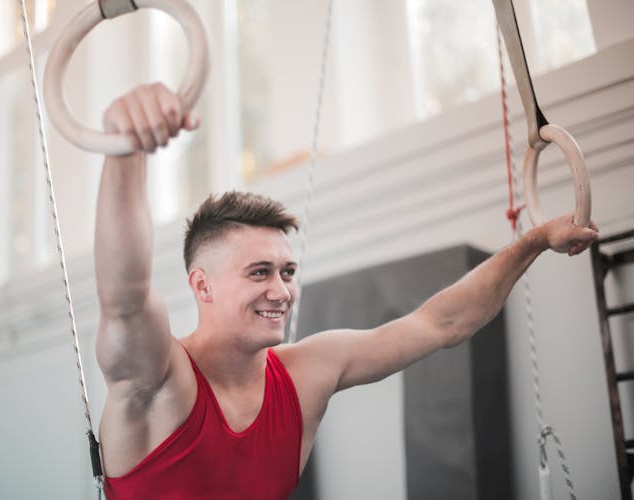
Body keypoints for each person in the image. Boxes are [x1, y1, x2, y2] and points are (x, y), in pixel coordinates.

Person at [94, 83, 598, 500]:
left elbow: (443, 323)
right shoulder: (156, 380)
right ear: (201, 285)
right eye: (258, 272)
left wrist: (533, 241)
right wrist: (125, 151)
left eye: (287, 272)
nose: (281, 290)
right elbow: (125, 298)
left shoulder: (308, 371)